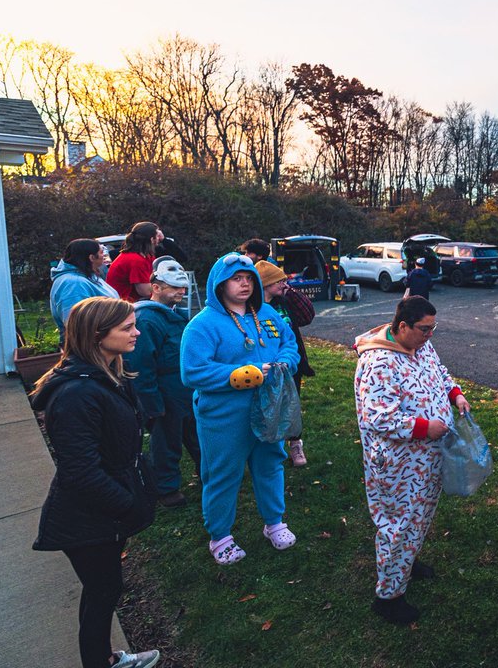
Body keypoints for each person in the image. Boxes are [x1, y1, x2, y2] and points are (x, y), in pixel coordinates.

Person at [30, 297, 161, 668]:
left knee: (103, 590)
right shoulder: (77, 394)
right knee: (104, 591)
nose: (136, 332)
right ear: (98, 335)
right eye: (127, 328)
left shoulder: (104, 375)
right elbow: (80, 472)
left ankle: (102, 658)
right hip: (86, 519)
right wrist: (128, 503)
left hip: (100, 515)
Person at [354, 296, 471, 625]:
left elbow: (439, 374)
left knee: (418, 518)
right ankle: (388, 596)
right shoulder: (378, 362)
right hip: (398, 465)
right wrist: (425, 427)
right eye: (424, 329)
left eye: (433, 328)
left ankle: (407, 561)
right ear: (402, 326)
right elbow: (377, 418)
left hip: (426, 460)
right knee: (398, 524)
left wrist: (454, 393)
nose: (429, 335)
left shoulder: (421, 345)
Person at [180, 253, 301, 565]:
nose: (244, 284)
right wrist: (236, 376)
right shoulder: (202, 325)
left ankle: (274, 523)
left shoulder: (269, 314)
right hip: (223, 416)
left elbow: (289, 343)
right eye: (236, 278)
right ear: (220, 285)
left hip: (269, 408)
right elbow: (192, 371)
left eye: (248, 278)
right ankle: (220, 536)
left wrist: (287, 361)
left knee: (271, 463)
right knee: (222, 473)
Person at [125, 257, 201, 508]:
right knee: (166, 441)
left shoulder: (175, 315)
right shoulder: (147, 319)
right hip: (165, 392)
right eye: (173, 287)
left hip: (186, 389)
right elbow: (141, 366)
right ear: (156, 287)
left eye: (182, 287)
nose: (180, 292)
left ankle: (209, 474)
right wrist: (151, 402)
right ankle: (166, 488)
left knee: (197, 435)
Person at [254, 260, 317, 467]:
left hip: (291, 363)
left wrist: (289, 292)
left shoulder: (284, 300)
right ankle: (271, 445)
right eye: (278, 280)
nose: (284, 283)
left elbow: (308, 315)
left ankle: (295, 442)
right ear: (265, 284)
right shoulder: (253, 308)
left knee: (291, 403)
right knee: (269, 406)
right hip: (265, 367)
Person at [50, 238, 120, 340]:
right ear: (91, 257)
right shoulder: (73, 284)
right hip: (90, 348)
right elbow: (76, 324)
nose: (104, 256)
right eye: (101, 253)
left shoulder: (87, 275)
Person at [106, 222, 163, 302]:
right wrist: (166, 287)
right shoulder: (136, 260)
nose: (159, 239)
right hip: (122, 304)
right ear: (151, 239)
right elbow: (145, 291)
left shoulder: (147, 256)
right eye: (157, 236)